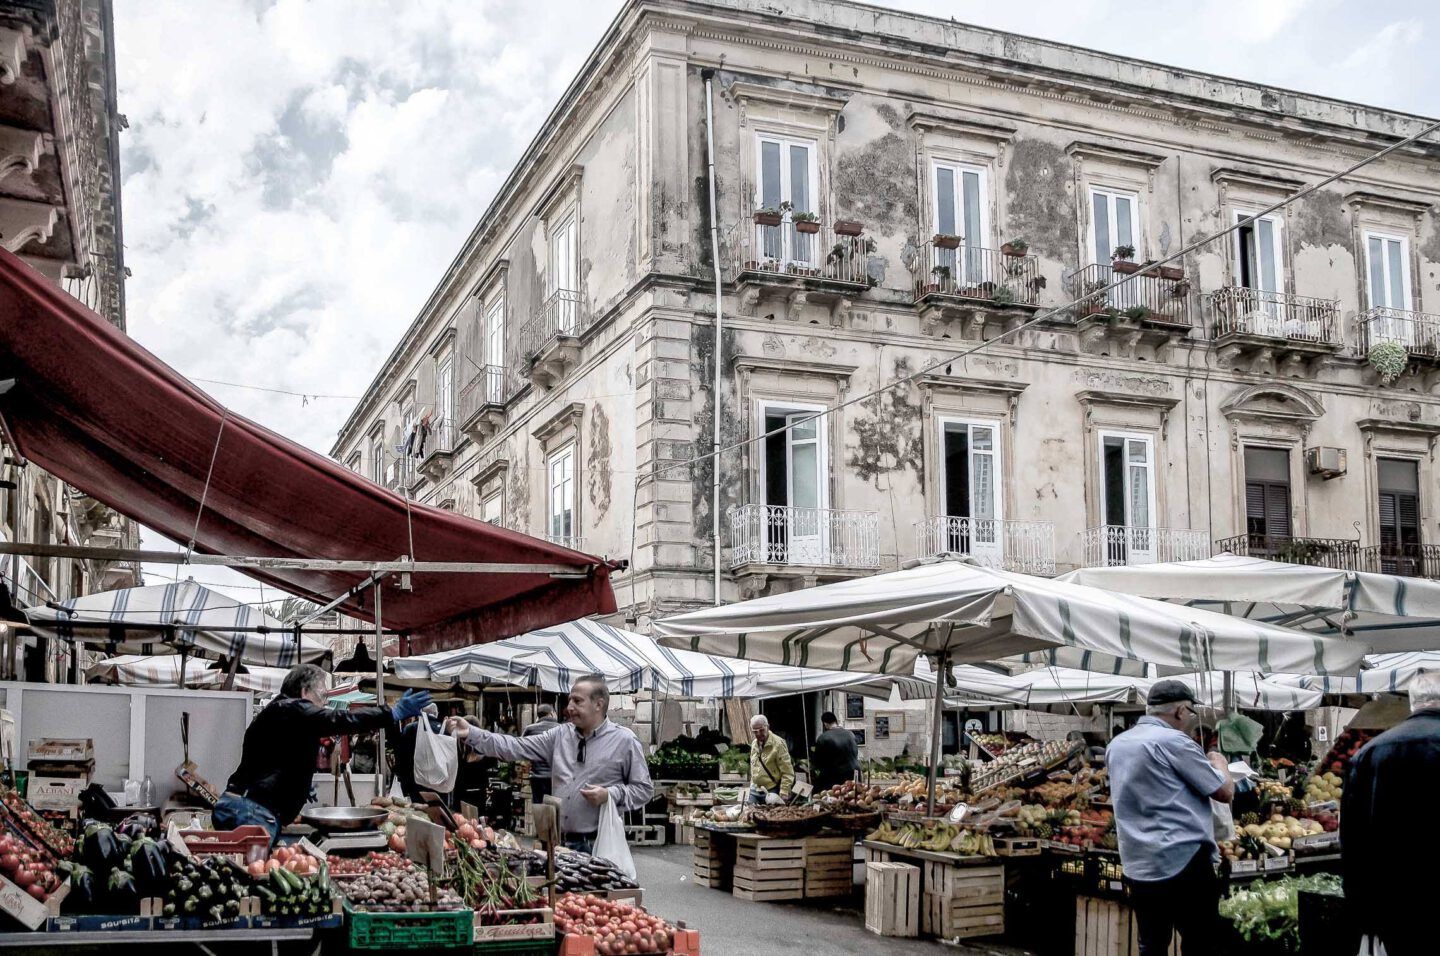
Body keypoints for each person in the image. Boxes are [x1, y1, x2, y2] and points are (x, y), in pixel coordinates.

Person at [217, 664, 431, 843]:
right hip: (251, 811)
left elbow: (280, 759)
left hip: (246, 806)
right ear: (304, 692)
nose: (325, 703)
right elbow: (339, 719)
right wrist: (391, 713)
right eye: (322, 695)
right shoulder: (292, 709)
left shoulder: (280, 713)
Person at [446, 674, 652, 854]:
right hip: (559, 843)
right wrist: (472, 734)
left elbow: (643, 790)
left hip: (599, 843)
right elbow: (515, 746)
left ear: (598, 705)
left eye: (577, 701)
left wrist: (610, 795)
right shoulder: (559, 735)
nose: (569, 707)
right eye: (570, 700)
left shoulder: (625, 741)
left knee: (595, 898)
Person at [1106, 680, 1234, 955]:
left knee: (1152, 944)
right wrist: (1219, 763)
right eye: (1190, 712)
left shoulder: (1117, 745)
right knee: (1201, 940)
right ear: (1179, 711)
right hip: (1182, 858)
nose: (1189, 719)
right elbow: (1223, 791)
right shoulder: (1174, 741)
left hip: (1138, 862)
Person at [1342, 670, 1440, 955]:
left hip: (1395, 902)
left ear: (1413, 703)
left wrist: (1360, 905)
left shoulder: (1369, 753)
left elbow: (1352, 838)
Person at [387, 703, 444, 801]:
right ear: (436, 713)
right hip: (438, 780)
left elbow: (402, 755)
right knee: (437, 808)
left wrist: (402, 778)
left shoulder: (411, 728)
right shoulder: (443, 729)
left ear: (421, 713)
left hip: (415, 779)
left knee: (417, 809)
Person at [747, 714, 794, 804]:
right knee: (749, 813)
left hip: (772, 789)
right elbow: (754, 767)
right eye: (755, 731)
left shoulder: (778, 744)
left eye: (761, 730)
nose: (759, 734)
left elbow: (787, 771)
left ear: (768, 726)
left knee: (770, 815)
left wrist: (784, 791)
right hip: (755, 789)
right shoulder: (754, 744)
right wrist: (751, 785)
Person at [810, 712, 859, 794]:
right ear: (836, 721)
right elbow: (855, 752)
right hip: (854, 773)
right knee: (851, 798)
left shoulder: (823, 738)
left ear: (825, 723)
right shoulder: (851, 734)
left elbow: (818, 761)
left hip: (835, 777)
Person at [522, 703, 560, 804]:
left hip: (536, 776)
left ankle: (540, 820)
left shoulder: (530, 729)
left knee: (538, 806)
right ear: (552, 713)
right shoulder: (561, 728)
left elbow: (522, 748)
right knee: (554, 806)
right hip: (555, 777)